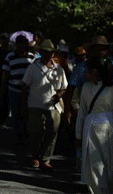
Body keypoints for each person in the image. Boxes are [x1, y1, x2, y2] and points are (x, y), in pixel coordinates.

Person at [76, 55, 113, 194]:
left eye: (87, 69)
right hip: (91, 131)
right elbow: (82, 113)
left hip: (112, 131)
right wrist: (78, 134)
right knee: (95, 167)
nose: (84, 72)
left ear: (94, 71)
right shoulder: (86, 87)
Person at [21, 39, 67, 170]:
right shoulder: (33, 67)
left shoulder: (58, 70)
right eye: (44, 52)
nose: (47, 55)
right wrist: (24, 104)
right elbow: (24, 85)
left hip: (53, 106)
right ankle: (35, 156)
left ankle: (46, 159)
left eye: (50, 52)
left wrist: (59, 95)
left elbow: (64, 87)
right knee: (36, 132)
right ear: (40, 52)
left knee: (53, 131)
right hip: (35, 105)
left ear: (53, 53)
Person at [0, 34, 37, 142]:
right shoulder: (10, 56)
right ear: (16, 44)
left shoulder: (32, 57)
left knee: (27, 114)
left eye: (24, 43)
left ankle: (26, 135)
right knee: (16, 114)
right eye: (20, 43)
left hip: (29, 91)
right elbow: (5, 74)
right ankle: (18, 136)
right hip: (14, 90)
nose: (23, 46)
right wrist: (3, 91)